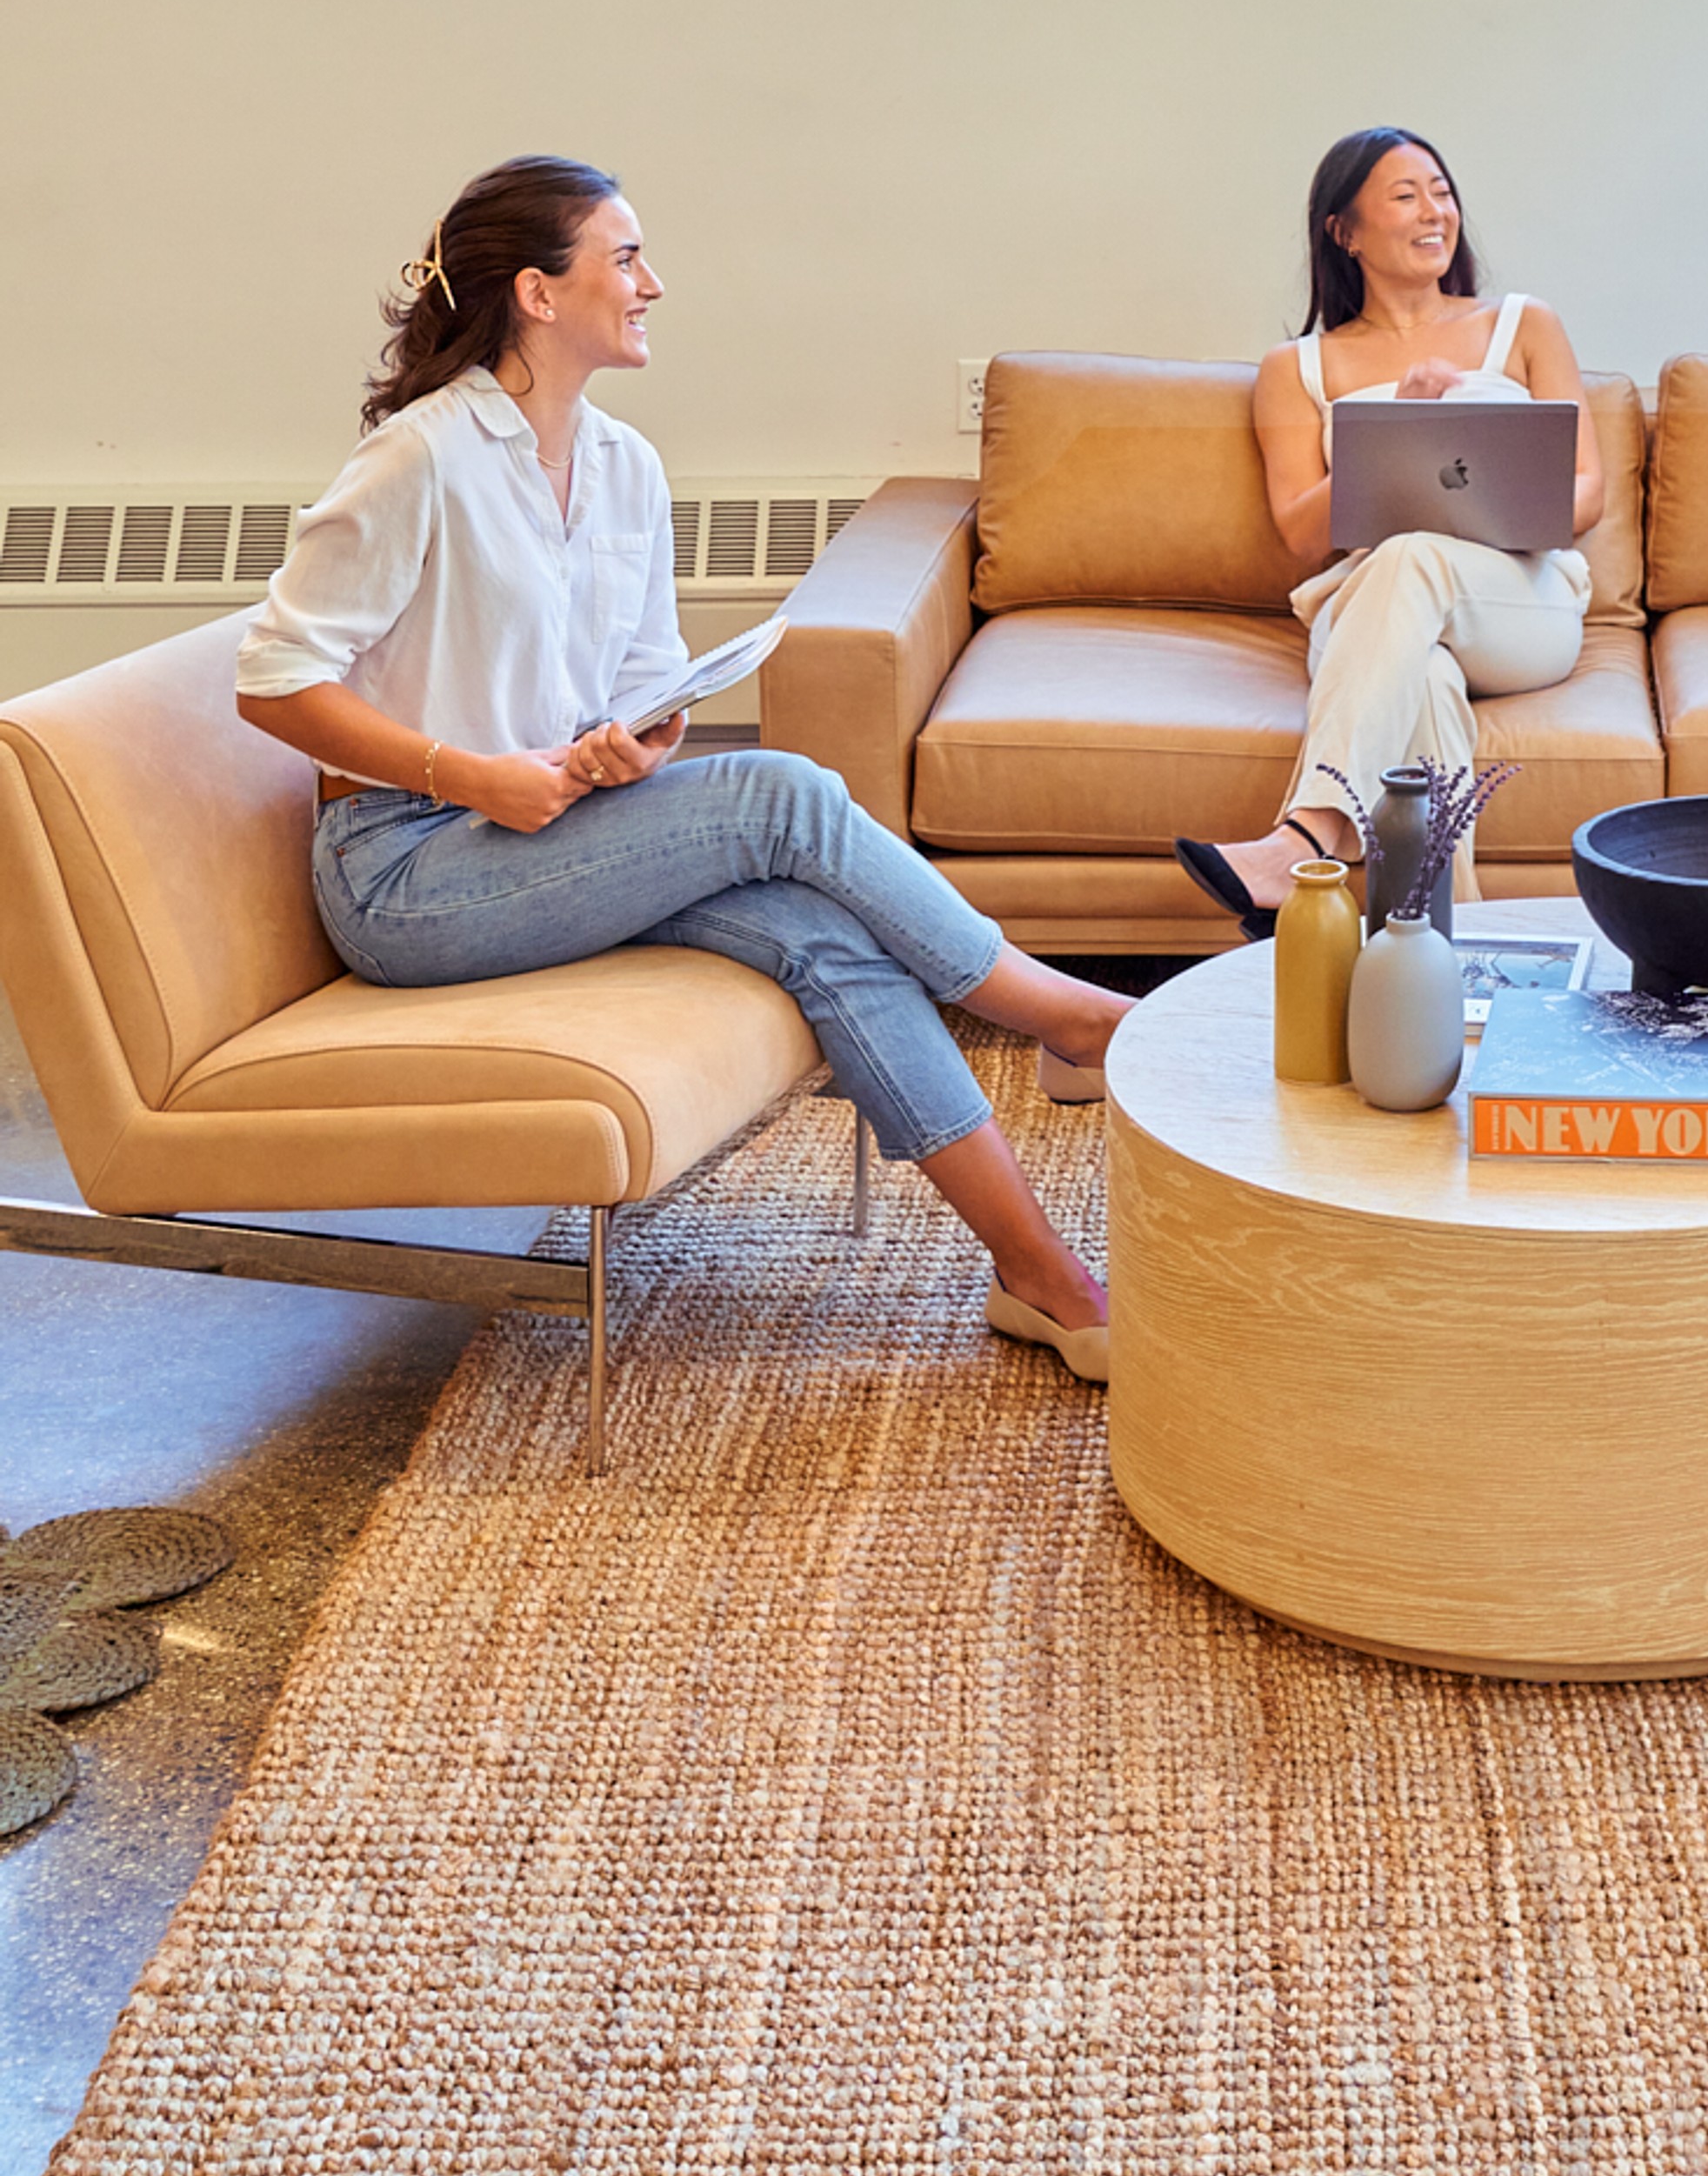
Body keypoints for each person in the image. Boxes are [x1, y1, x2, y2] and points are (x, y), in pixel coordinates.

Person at [237, 157, 1132, 1389]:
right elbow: (272, 680)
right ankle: (1068, 1013)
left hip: (550, 839)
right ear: (541, 295)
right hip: (404, 868)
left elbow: (641, 692)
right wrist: (473, 772)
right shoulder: (419, 459)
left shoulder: (626, 468)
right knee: (783, 791)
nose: (653, 283)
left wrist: (630, 744)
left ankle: (1042, 1274)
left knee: (823, 936)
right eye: (625, 257)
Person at [1174, 127, 1603, 927]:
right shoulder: (1294, 368)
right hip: (1370, 610)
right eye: (1406, 197)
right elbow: (1304, 537)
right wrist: (1397, 432)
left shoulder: (1523, 327)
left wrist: (1483, 482)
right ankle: (1445, 938)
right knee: (1427, 683)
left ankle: (1305, 835)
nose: (1433, 211)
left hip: (1516, 601)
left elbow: (1585, 498)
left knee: (1413, 555)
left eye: (1441, 192)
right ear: (1345, 231)